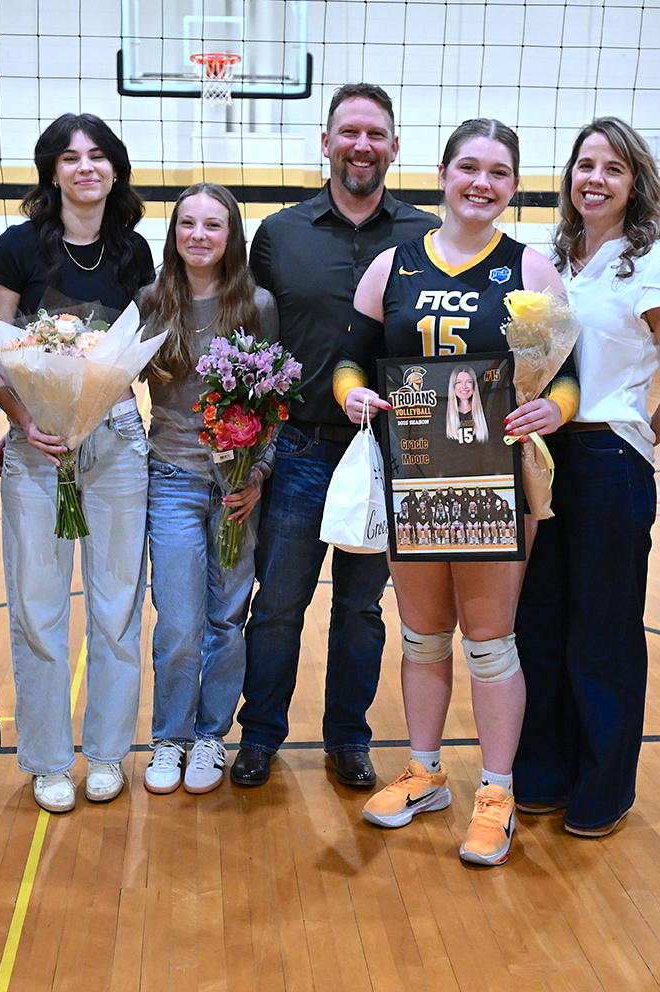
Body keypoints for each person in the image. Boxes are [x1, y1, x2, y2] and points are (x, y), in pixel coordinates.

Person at [339, 118, 577, 866]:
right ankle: (425, 772)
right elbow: (351, 362)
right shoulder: (391, 267)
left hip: (495, 481)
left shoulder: (532, 270)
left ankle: (497, 791)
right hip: (414, 473)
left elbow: (568, 373)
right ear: (443, 174)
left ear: (513, 186)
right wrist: (353, 397)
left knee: (492, 642)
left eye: (499, 172)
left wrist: (555, 408)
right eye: (468, 167)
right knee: (421, 636)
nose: (482, 182)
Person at [231, 83, 438, 790]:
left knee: (360, 607)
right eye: (348, 132)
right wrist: (248, 456)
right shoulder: (279, 235)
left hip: (392, 453)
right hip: (299, 450)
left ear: (394, 147)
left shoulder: (425, 236)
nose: (361, 145)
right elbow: (251, 350)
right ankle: (258, 736)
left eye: (376, 134)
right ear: (326, 143)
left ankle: (349, 737)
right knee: (279, 603)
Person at [514, 117, 660, 839]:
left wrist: (634, 442)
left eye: (613, 168)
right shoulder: (548, 260)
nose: (594, 178)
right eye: (585, 164)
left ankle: (600, 793)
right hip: (540, 460)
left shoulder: (652, 260)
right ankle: (540, 777)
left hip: (606, 463)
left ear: (635, 184)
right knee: (536, 625)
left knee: (603, 636)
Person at [0, 113, 155, 813]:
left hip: (114, 442)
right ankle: (49, 759)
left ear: (115, 169)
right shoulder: (16, 247)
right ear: (52, 171)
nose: (86, 167)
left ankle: (108, 752)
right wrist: (28, 421)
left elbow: (138, 351)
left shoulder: (134, 251)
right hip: (36, 446)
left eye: (99, 156)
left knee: (116, 607)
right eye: (71, 157)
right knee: (35, 607)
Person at [136, 183, 280, 794]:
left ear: (231, 236)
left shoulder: (256, 305)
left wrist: (259, 474)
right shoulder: (150, 301)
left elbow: (272, 401)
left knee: (227, 616)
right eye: (187, 223)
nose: (198, 234)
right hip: (169, 478)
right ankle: (169, 737)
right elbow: (111, 384)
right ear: (174, 233)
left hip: (235, 486)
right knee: (178, 621)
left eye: (213, 225)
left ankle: (208, 739)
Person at [444, 365, 489, 443]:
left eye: (469, 382)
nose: (464, 386)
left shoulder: (487, 413)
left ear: (474, 385)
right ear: (453, 386)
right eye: (459, 382)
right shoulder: (442, 416)